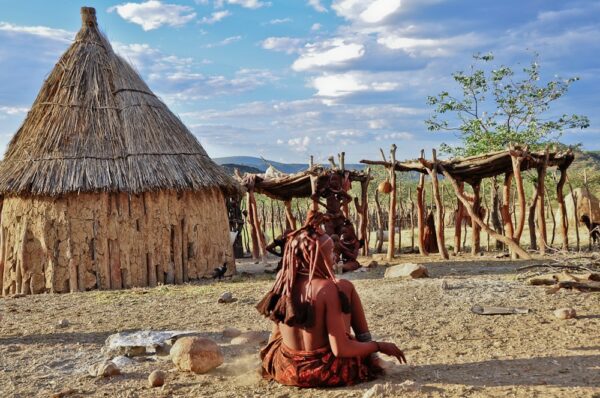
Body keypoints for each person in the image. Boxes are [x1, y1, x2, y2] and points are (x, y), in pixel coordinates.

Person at [257, 211, 406, 388]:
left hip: (284, 368)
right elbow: (340, 349)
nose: (334, 258)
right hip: (323, 372)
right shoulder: (326, 289)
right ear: (315, 258)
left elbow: (276, 333)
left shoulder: (284, 281)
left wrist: (269, 360)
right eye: (330, 254)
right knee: (345, 287)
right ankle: (373, 359)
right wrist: (379, 346)